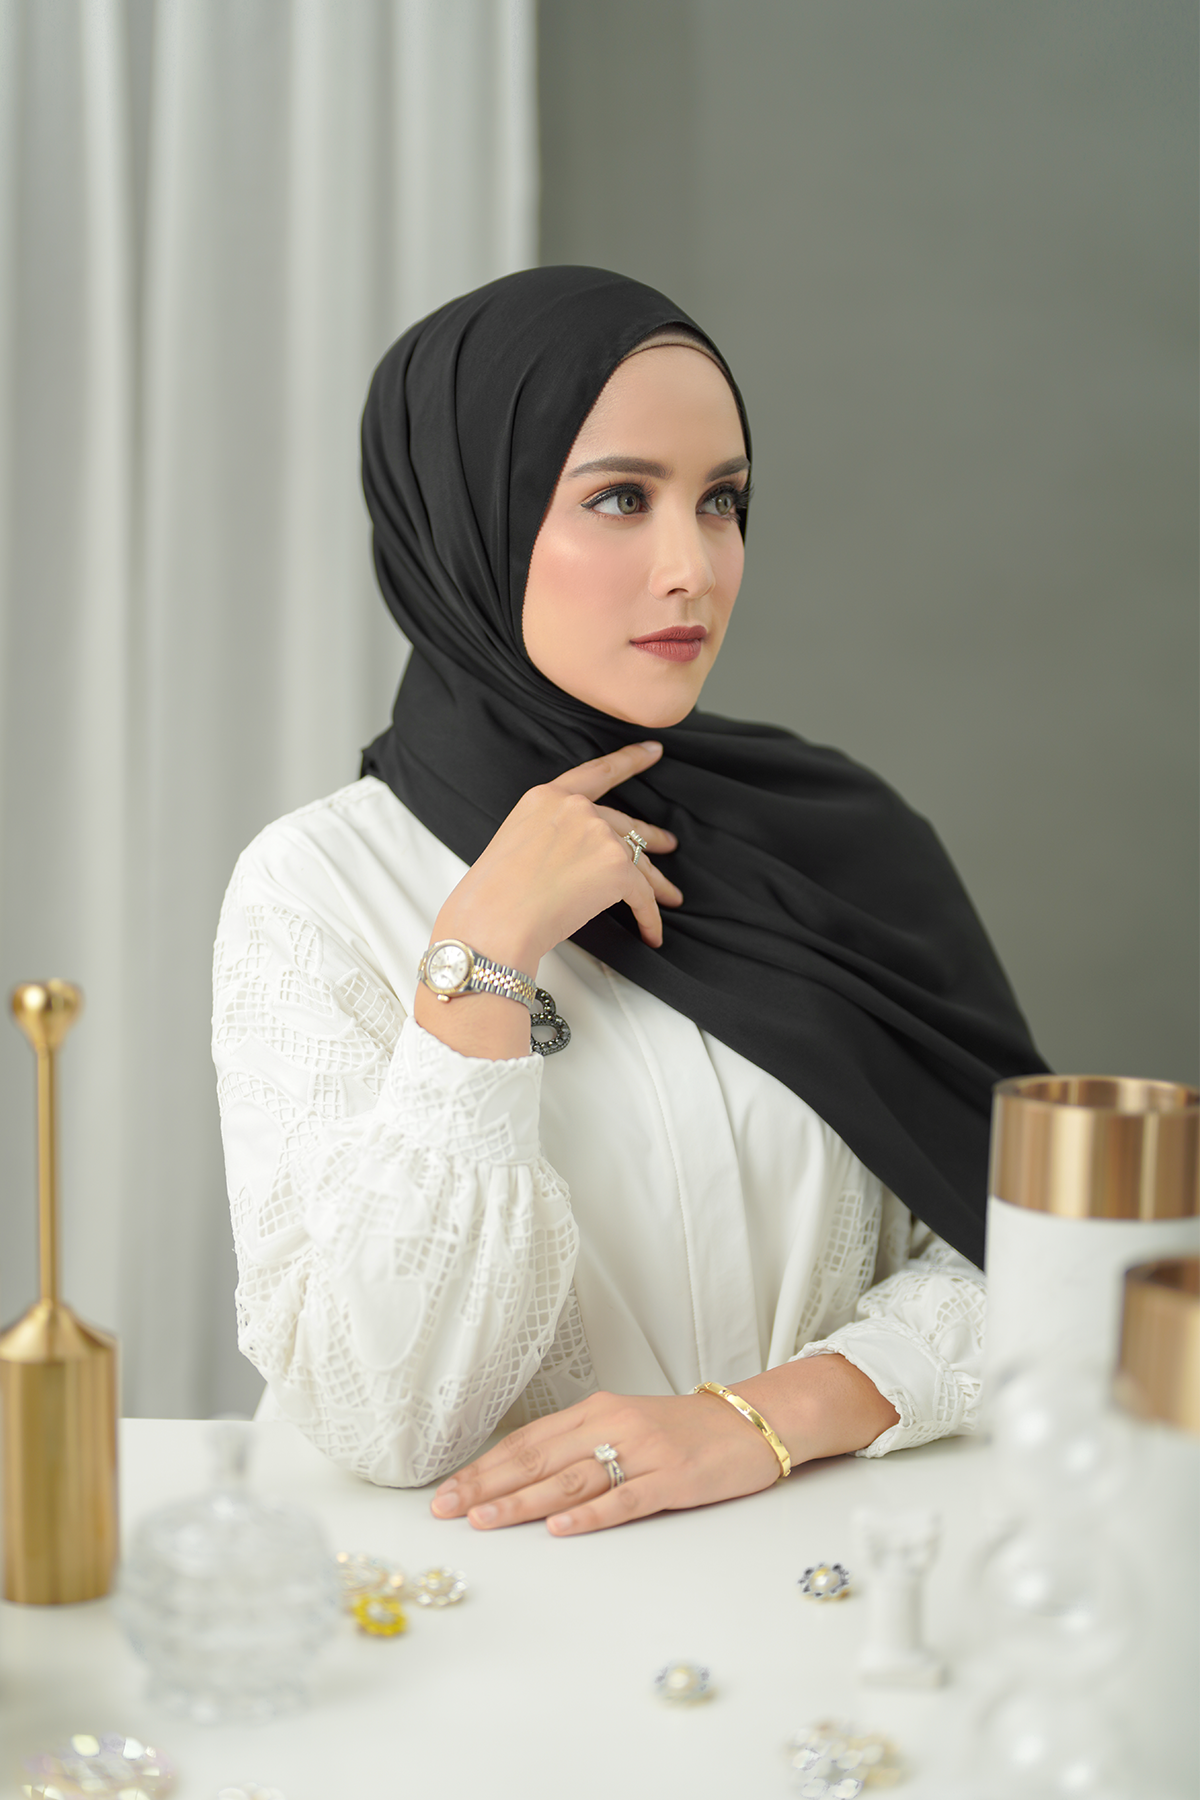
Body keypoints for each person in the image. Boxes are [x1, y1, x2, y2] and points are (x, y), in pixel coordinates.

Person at [212, 266, 1046, 1537]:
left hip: (811, 1585)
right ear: (468, 520)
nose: (691, 568)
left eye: (722, 501)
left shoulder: (839, 839)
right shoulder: (318, 888)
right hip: (467, 1610)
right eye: (618, 498)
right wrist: (485, 953)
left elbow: (1045, 1254)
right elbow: (385, 1418)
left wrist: (763, 1419)